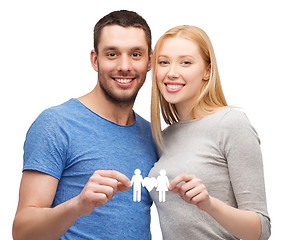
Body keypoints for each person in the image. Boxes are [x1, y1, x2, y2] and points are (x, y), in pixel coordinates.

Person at [12, 10, 157, 240]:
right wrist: (79, 204)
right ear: (94, 59)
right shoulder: (56, 125)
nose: (125, 66)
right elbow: (22, 232)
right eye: (112, 54)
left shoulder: (152, 135)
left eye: (135, 54)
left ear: (149, 61)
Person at [148, 25, 271, 239]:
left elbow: (261, 230)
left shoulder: (231, 123)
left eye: (185, 62)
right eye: (164, 62)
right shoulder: (164, 137)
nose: (172, 72)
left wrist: (209, 204)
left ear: (207, 71)